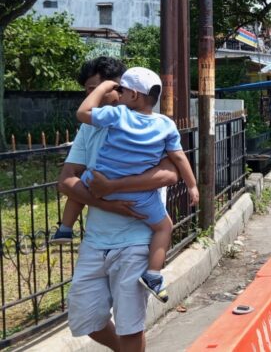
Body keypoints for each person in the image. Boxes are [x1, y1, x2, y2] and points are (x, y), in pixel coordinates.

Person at [57, 57, 180, 351]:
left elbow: (170, 173)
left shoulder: (150, 125)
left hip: (136, 239)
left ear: (119, 88)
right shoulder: (90, 128)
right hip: (96, 240)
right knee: (85, 316)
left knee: (129, 326)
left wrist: (113, 187)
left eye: (96, 89)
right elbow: (66, 181)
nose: (91, 97)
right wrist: (109, 203)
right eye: (88, 91)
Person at [52, 67, 199, 304]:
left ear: (132, 95)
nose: (117, 93)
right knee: (164, 228)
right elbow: (180, 159)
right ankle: (153, 274)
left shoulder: (118, 115)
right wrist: (192, 186)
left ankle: (65, 228)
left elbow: (83, 112)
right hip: (139, 198)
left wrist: (102, 87)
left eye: (121, 89)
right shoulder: (165, 125)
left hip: (98, 182)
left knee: (77, 190)